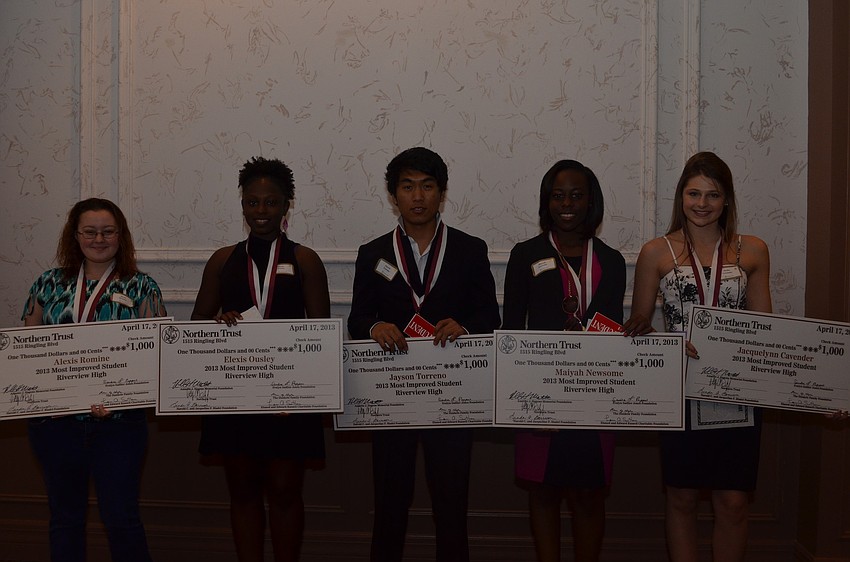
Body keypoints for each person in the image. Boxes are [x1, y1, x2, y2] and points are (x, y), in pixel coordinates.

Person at [348, 147, 501, 562]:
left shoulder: (470, 249)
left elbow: (490, 313)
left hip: (450, 398)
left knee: (451, 507)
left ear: (441, 193)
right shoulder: (374, 253)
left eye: (428, 186)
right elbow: (357, 318)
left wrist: (465, 327)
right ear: (393, 195)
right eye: (408, 186)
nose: (418, 196)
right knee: (389, 505)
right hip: (392, 399)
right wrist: (374, 327)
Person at [623, 151, 772, 562]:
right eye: (693, 193)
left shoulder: (754, 250)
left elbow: (768, 332)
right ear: (681, 197)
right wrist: (665, 343)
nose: (702, 204)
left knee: (734, 502)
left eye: (713, 195)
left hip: (738, 392)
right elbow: (639, 325)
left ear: (727, 201)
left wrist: (817, 393)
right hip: (680, 388)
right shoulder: (656, 252)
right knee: (683, 497)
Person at [192, 156, 329, 562]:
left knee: (286, 493)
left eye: (271, 202)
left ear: (287, 206)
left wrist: (299, 396)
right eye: (253, 203)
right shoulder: (222, 260)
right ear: (243, 206)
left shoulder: (305, 260)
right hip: (236, 398)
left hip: (290, 402)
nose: (261, 211)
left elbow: (319, 335)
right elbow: (196, 328)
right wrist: (219, 322)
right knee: (244, 492)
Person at [23, 198, 165, 562]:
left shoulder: (142, 287)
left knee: (122, 520)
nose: (98, 239)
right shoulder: (48, 284)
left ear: (121, 236)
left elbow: (158, 357)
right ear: (76, 235)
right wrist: (45, 399)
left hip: (119, 427)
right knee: (65, 520)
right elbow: (28, 352)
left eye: (108, 231)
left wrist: (121, 397)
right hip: (56, 427)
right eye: (90, 231)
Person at [502, 160, 625, 562]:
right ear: (546, 201)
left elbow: (613, 333)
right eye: (557, 195)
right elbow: (510, 332)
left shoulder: (612, 260)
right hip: (538, 396)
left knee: (589, 495)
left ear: (591, 201)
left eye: (576, 194)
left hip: (594, 395)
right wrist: (522, 400)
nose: (566, 204)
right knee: (543, 492)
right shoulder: (526, 256)